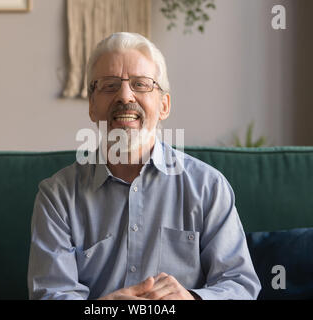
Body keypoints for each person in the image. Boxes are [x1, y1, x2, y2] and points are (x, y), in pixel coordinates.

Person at [27, 32, 261, 300]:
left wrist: (192, 299)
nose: (125, 96)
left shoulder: (208, 187)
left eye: (140, 84)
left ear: (164, 105)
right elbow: (52, 294)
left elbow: (240, 285)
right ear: (92, 106)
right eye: (109, 85)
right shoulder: (57, 196)